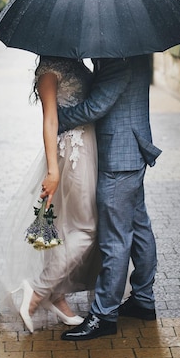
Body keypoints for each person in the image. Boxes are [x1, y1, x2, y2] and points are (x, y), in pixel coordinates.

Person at [0, 56, 100, 333]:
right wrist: (52, 170)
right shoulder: (49, 71)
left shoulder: (75, 62)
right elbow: (50, 120)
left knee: (64, 229)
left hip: (87, 147)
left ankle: (57, 297)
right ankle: (38, 290)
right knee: (87, 230)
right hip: (74, 152)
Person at [57, 55, 162, 341]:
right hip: (131, 151)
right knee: (139, 227)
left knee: (114, 237)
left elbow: (96, 106)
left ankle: (104, 315)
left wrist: (56, 119)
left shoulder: (120, 60)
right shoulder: (129, 52)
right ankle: (142, 299)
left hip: (120, 156)